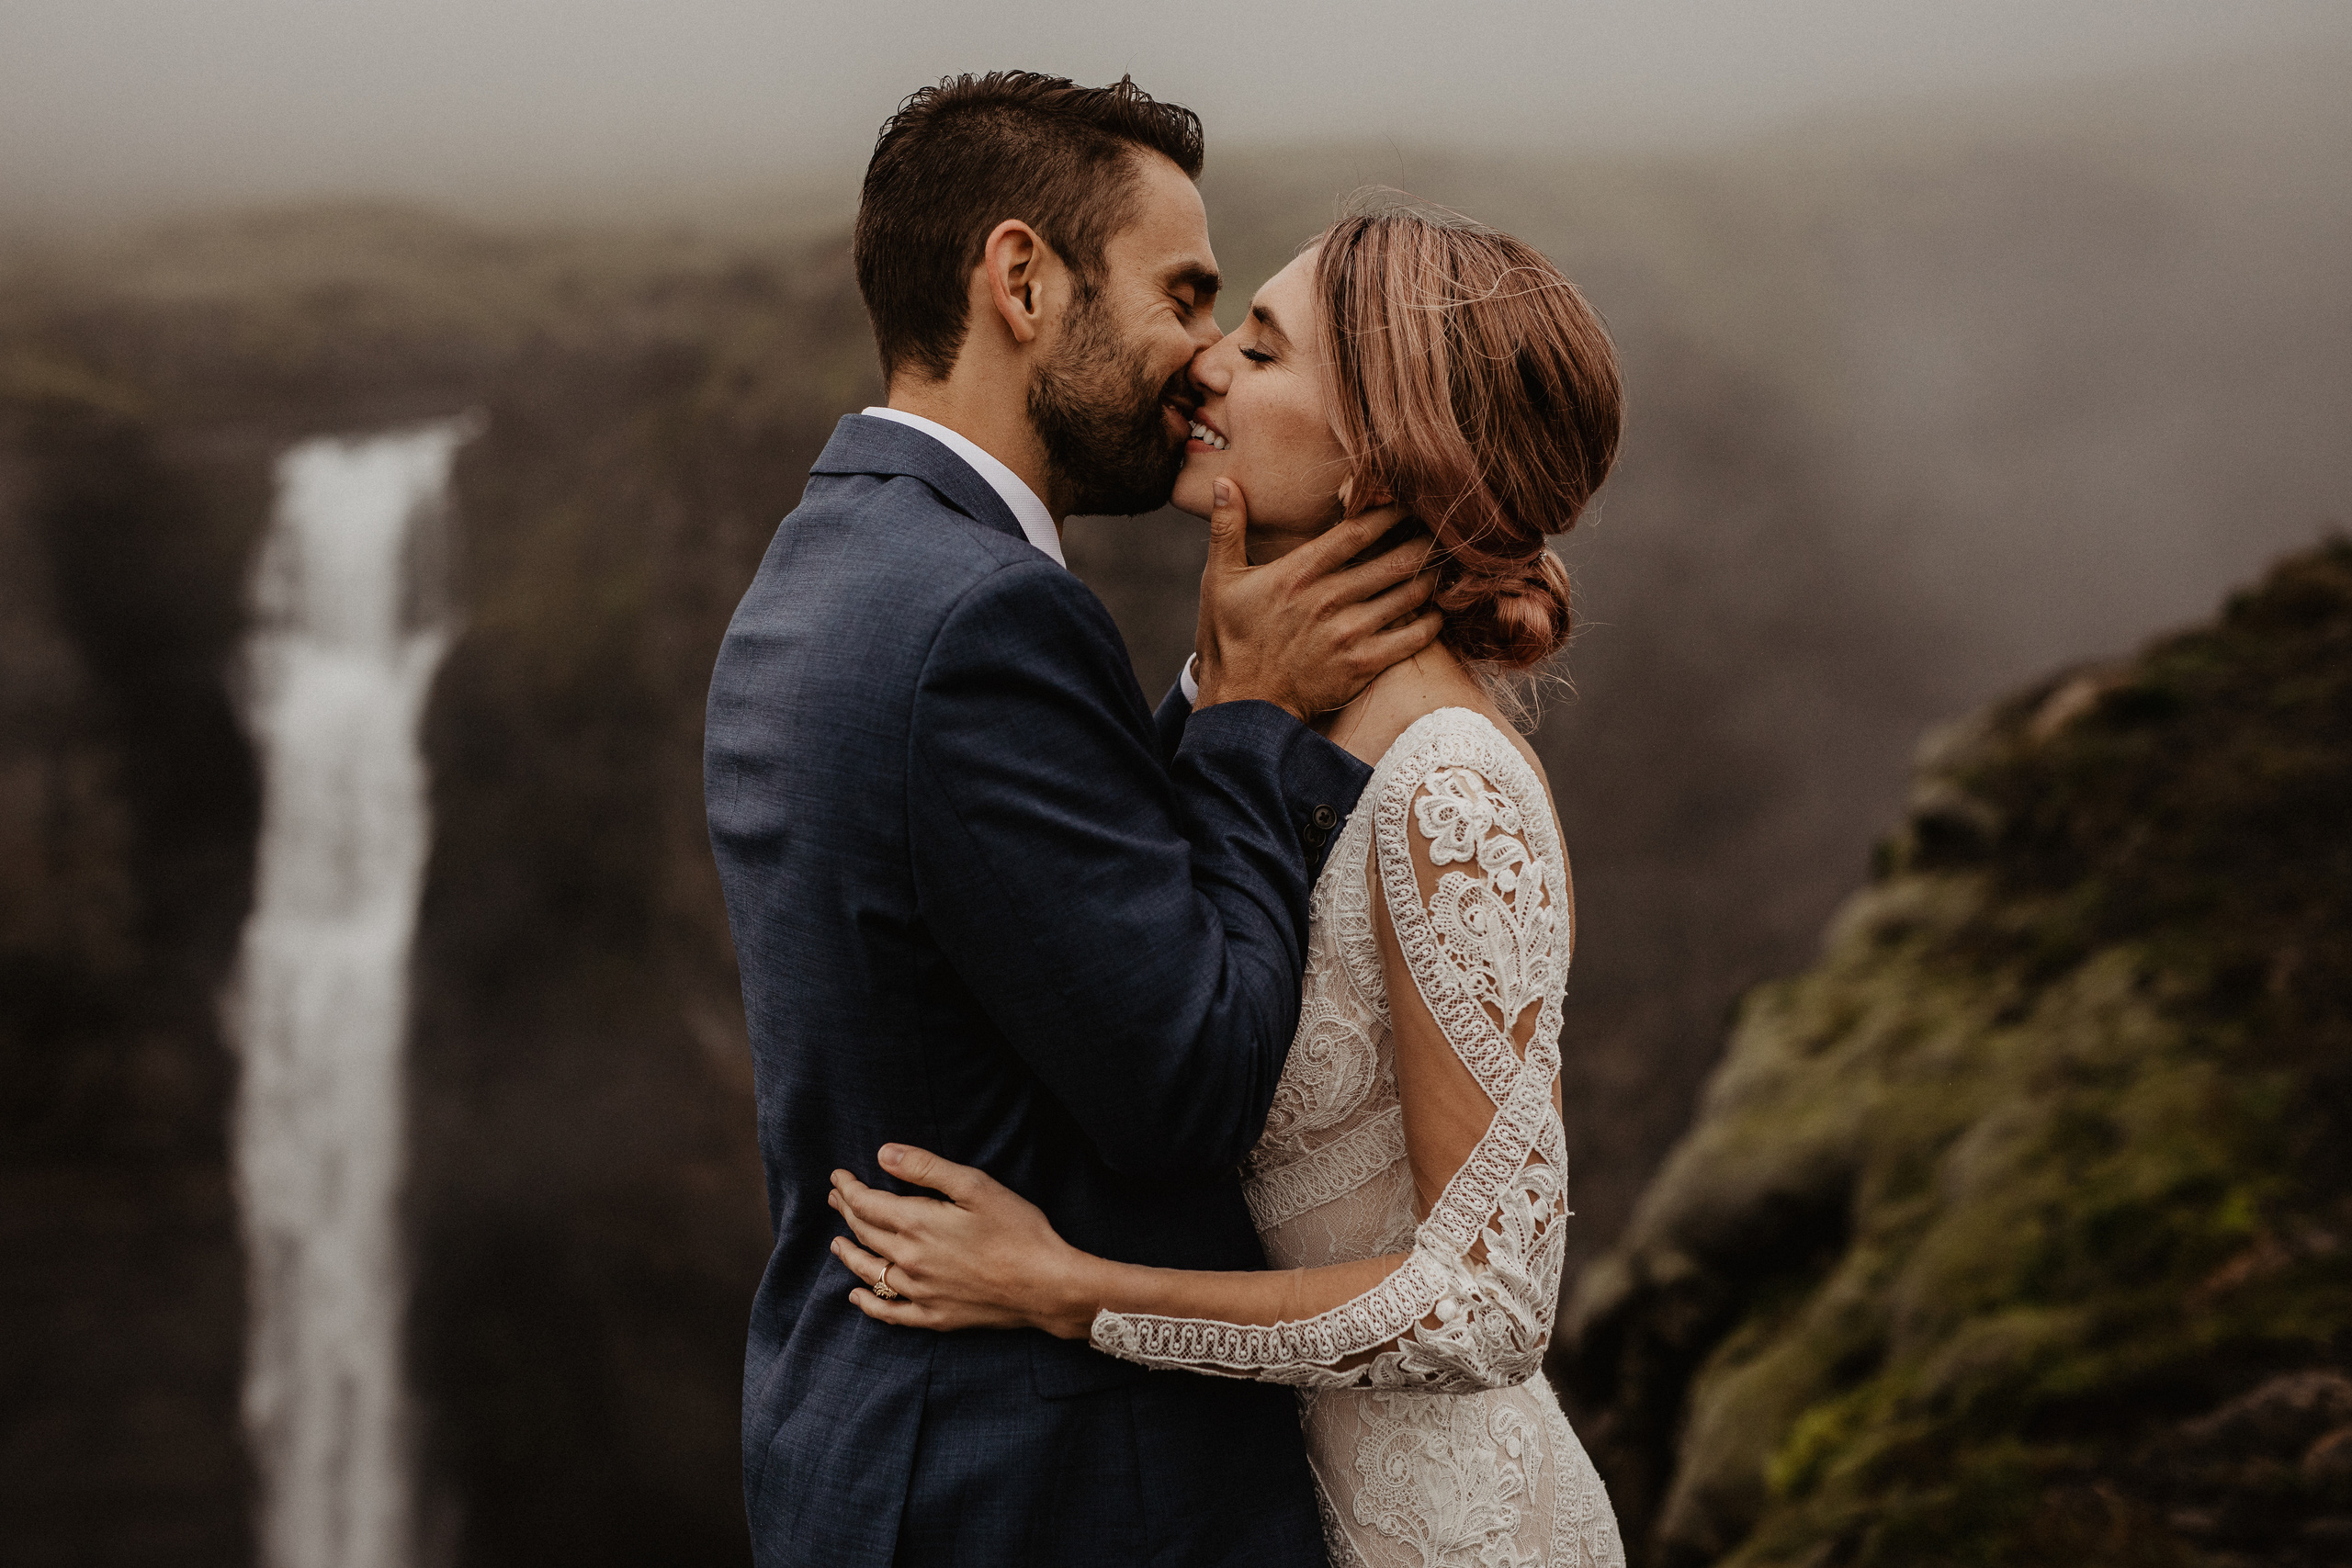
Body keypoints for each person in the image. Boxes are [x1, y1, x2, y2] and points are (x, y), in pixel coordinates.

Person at [704, 73, 1445, 1568]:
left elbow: (1042, 892)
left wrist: (1214, 696)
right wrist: (1249, 718)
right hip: (1038, 1492)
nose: (1206, 359)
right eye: (1184, 295)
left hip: (862, 1445)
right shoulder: (987, 615)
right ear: (1024, 280)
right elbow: (1192, 1082)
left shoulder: (822, 561)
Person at [824, 207, 1631, 1567]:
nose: (1204, 366)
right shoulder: (1263, 710)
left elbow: (1493, 1305)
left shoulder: (1449, 786)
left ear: (1379, 451)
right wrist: (1220, 691)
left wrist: (1075, 1291)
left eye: (1259, 351)